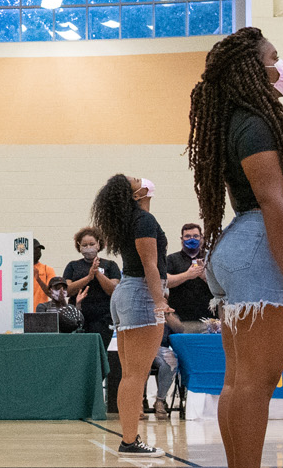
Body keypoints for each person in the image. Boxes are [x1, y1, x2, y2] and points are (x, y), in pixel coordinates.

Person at [185, 27, 283, 468]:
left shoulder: (247, 120)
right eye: (274, 57)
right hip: (264, 251)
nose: (280, 64)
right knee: (255, 383)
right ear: (252, 68)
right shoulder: (253, 123)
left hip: (245, 251)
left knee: (240, 381)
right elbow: (272, 202)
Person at [92, 174, 169, 452]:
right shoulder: (144, 221)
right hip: (141, 293)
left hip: (127, 292)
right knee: (136, 374)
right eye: (135, 180)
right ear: (135, 195)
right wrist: (159, 301)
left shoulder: (132, 220)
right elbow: (151, 265)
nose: (141, 178)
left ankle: (129, 439)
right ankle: (129, 441)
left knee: (129, 373)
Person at [63, 227, 120, 348]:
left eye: (92, 244)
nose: (88, 247)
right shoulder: (73, 265)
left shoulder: (110, 265)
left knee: (97, 350)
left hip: (103, 317)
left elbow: (113, 290)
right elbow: (67, 291)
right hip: (77, 316)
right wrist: (88, 277)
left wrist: (97, 273)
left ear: (99, 244)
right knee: (79, 351)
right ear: (79, 246)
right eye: (85, 245)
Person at [166, 223, 217, 334]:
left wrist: (204, 276)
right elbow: (165, 282)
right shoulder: (172, 259)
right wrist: (188, 275)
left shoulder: (211, 257)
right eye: (187, 236)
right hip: (180, 322)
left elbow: (221, 285)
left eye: (195, 236)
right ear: (182, 239)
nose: (192, 239)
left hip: (209, 321)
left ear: (201, 238)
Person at [30, 241, 57, 305]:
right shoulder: (19, 269)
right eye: (35, 249)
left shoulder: (47, 269)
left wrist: (38, 279)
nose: (38, 252)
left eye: (39, 250)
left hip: (40, 312)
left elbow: (53, 294)